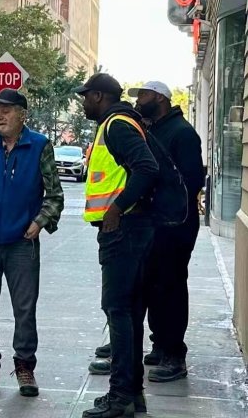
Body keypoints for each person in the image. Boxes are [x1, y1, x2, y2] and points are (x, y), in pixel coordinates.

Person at [0, 88, 64, 398]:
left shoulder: (40, 146)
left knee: (25, 309)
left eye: (6, 110)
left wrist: (39, 222)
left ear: (22, 114)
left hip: (21, 243)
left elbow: (55, 195)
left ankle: (24, 366)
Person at [76, 73, 158, 418]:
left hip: (124, 230)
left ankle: (120, 397)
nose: (83, 102)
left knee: (118, 310)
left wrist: (117, 208)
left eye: (85, 96)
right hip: (132, 229)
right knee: (130, 311)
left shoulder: (117, 125)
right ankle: (132, 393)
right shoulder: (119, 123)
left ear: (98, 96)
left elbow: (147, 168)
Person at [129, 81, 205, 382]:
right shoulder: (153, 129)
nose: (139, 100)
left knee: (171, 286)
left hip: (175, 224)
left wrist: (165, 205)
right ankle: (160, 344)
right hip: (155, 222)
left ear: (160, 98)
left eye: (143, 95)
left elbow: (192, 180)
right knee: (153, 285)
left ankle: (175, 355)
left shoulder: (182, 133)